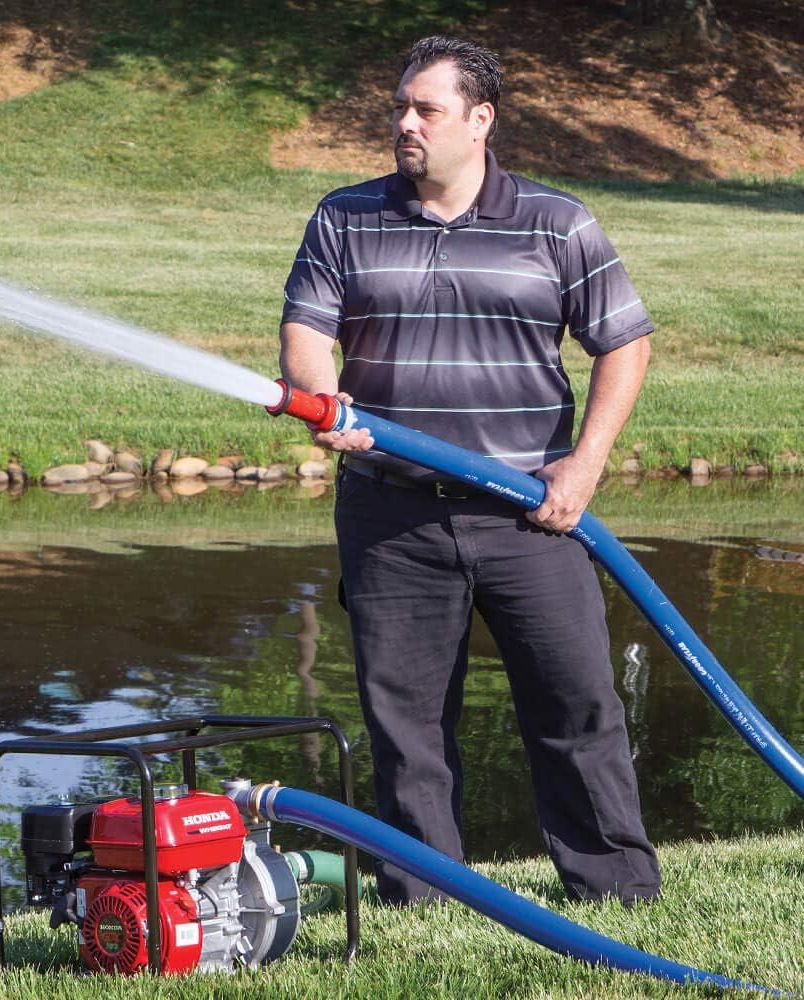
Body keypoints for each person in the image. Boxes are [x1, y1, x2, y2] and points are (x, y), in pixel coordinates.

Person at [278, 35, 661, 906]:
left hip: (533, 513)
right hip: (391, 516)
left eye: (426, 110)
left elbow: (625, 343)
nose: (404, 124)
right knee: (406, 726)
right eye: (400, 108)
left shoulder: (557, 222)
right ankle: (425, 897)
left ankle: (615, 891)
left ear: (480, 121)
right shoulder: (346, 216)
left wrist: (584, 469)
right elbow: (307, 330)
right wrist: (323, 398)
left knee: (577, 709)